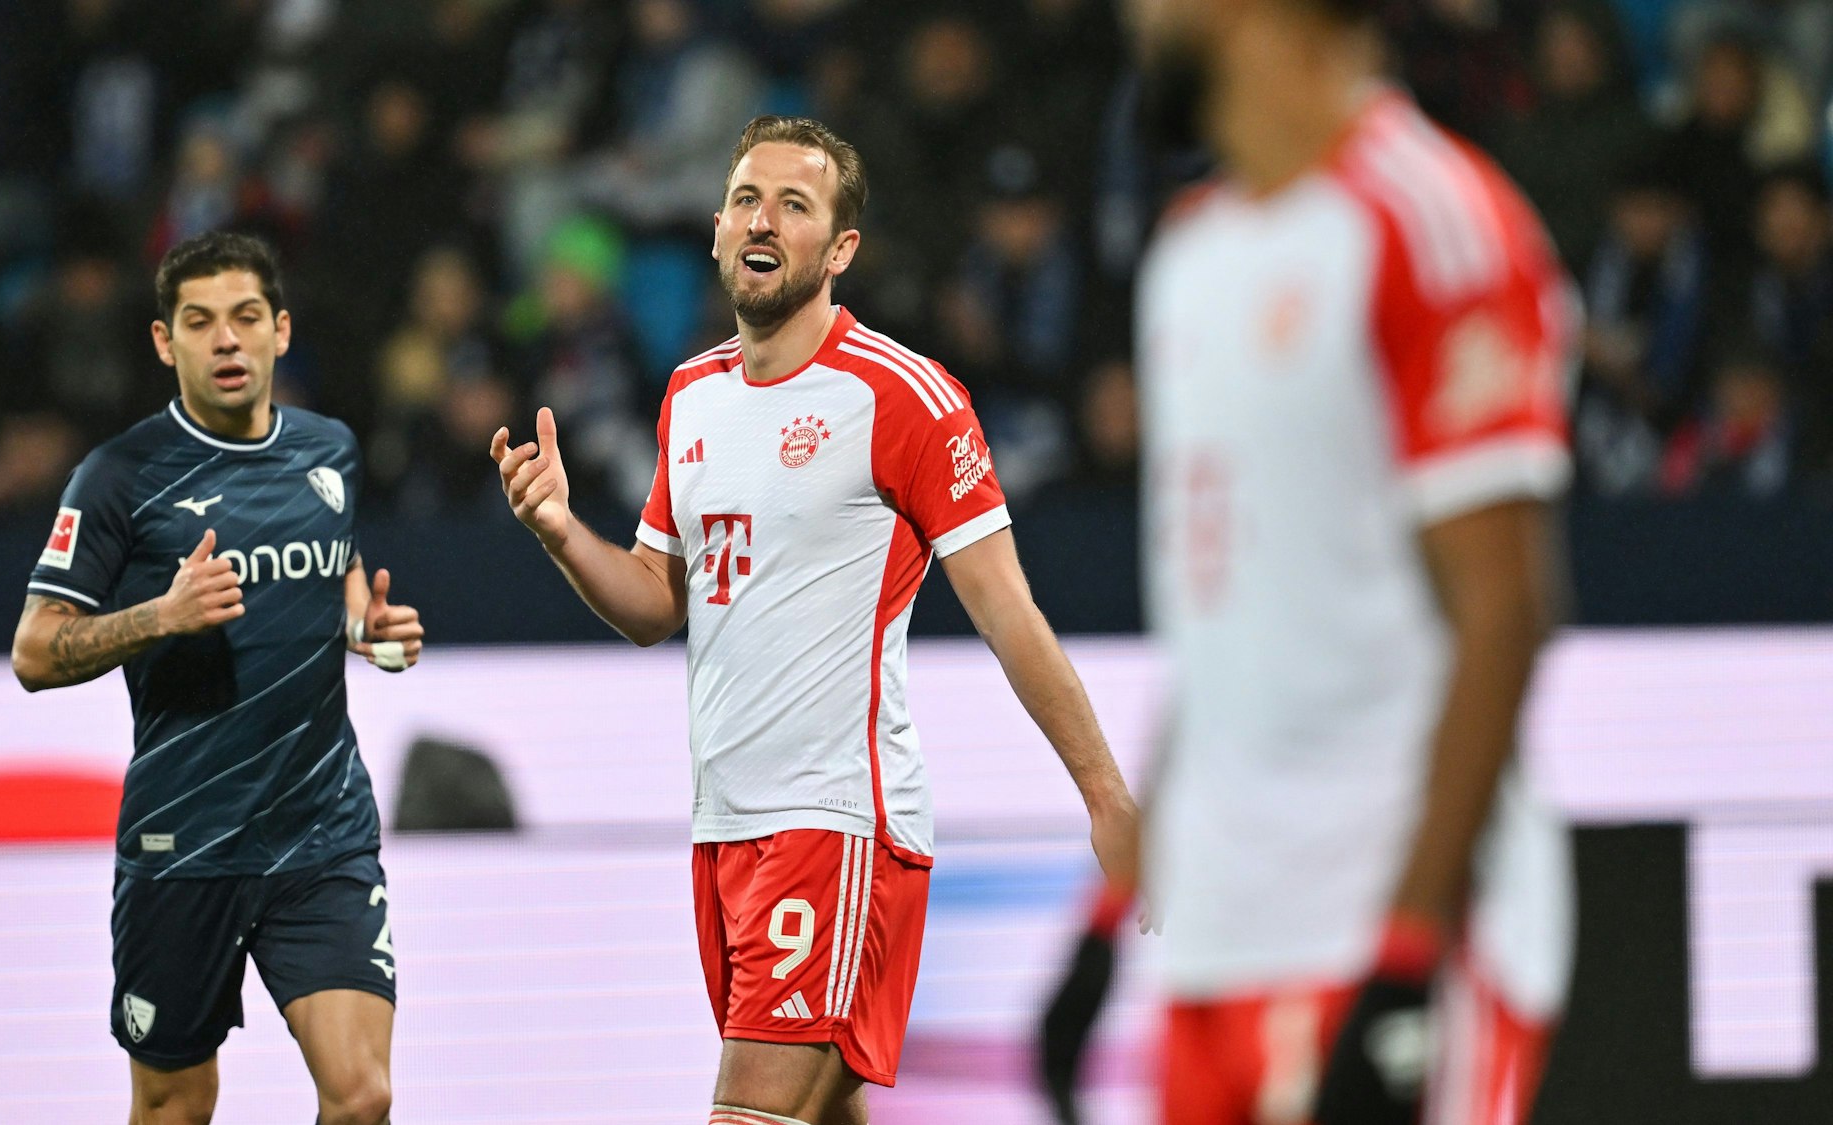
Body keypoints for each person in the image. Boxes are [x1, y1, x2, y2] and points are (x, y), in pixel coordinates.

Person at [492, 115, 1141, 1124]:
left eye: (795, 205)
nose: (764, 219)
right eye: (747, 199)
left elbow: (1008, 614)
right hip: (723, 831)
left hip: (836, 828)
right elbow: (654, 604)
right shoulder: (689, 394)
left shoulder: (903, 398)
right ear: (714, 230)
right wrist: (557, 530)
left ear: (838, 250)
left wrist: (1104, 797)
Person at [1041, 2, 1576, 1124]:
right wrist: (1109, 916)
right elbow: (1225, 632)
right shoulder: (1189, 253)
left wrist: (1406, 954)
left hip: (1373, 924)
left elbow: (1503, 611)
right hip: (1218, 943)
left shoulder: (1425, 220)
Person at [10, 231, 420, 1125]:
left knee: (363, 1095)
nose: (225, 341)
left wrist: (364, 625)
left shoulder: (331, 450)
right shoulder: (118, 477)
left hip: (321, 832)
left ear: (280, 330)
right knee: (175, 1103)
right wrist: (161, 614)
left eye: (244, 319)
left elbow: (336, 570)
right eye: (200, 323)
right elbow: (35, 651)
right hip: (183, 842)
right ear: (167, 342)